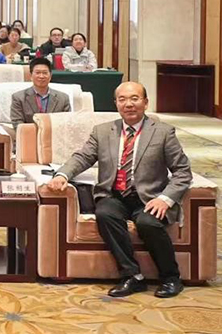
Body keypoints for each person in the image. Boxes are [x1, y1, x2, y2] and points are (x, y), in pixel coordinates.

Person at [47, 82, 192, 299]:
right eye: (122, 99)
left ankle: (171, 277)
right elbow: (83, 157)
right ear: (116, 103)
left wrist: (165, 199)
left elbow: (182, 171)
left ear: (145, 102)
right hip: (114, 195)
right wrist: (62, 175)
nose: (128, 104)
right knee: (105, 214)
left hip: (149, 197)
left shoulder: (163, 132)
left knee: (148, 223)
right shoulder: (103, 131)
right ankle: (132, 276)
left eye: (134, 98)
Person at [9, 58, 71, 128]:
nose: (41, 76)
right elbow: (17, 124)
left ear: (50, 76)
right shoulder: (18, 98)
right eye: (37, 73)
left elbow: (66, 123)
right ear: (30, 76)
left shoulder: (63, 98)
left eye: (45, 73)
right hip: (28, 134)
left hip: (55, 133)